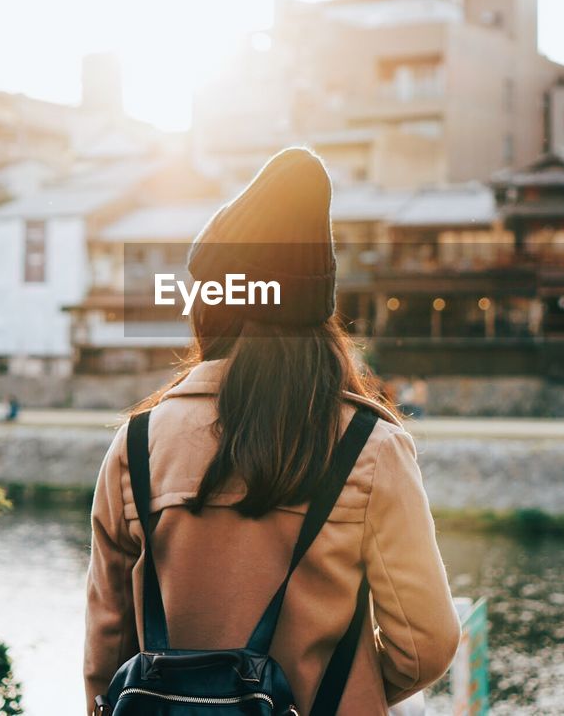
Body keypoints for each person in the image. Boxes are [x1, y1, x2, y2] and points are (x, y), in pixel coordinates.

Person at [83, 148, 460, 715]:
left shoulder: (137, 446)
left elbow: (106, 654)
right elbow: (426, 644)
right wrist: (348, 686)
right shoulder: (370, 446)